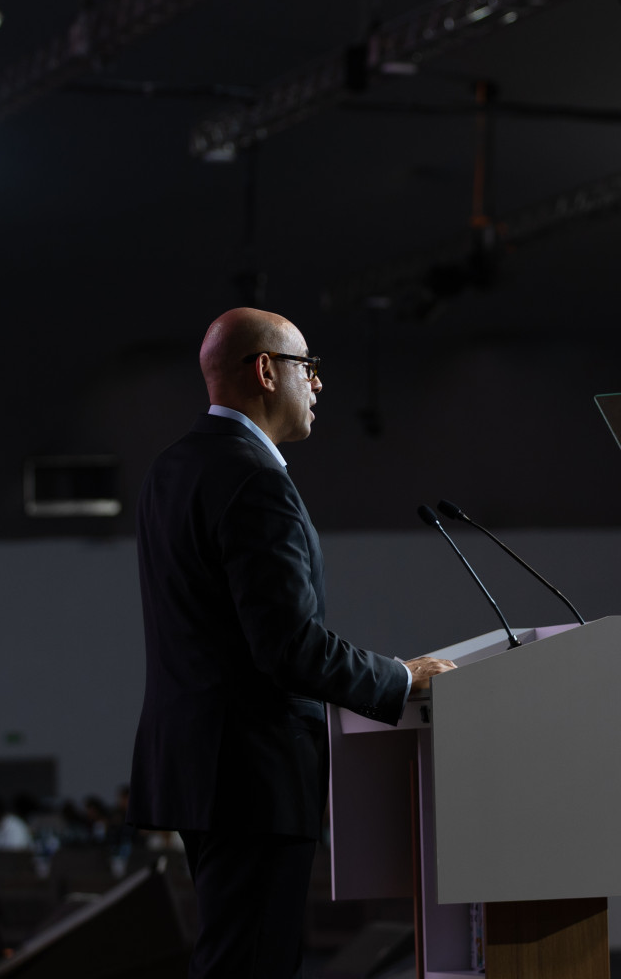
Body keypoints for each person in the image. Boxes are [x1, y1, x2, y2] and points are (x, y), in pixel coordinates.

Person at [128, 308, 457, 979]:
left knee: (233, 955)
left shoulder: (172, 469)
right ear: (265, 370)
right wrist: (399, 677)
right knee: (251, 964)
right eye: (308, 367)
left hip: (199, 766)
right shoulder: (255, 479)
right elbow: (288, 647)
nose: (319, 384)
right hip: (253, 773)